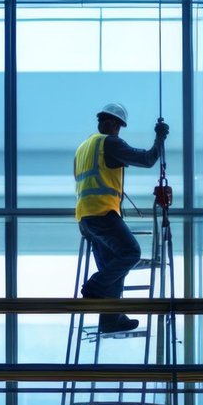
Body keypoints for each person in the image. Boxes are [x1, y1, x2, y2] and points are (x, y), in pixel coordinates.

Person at [74, 102, 169, 333]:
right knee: (130, 253)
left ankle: (110, 319)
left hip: (85, 218)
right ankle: (94, 287)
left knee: (114, 266)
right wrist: (160, 138)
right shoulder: (110, 143)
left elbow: (94, 177)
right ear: (116, 125)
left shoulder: (84, 147)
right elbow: (147, 160)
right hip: (102, 212)